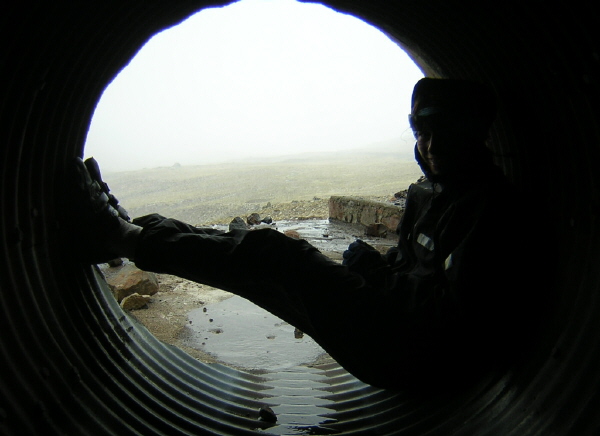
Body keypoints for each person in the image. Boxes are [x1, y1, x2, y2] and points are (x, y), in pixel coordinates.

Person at [67, 78, 538, 391]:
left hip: (415, 356)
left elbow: (457, 319)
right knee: (260, 259)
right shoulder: (427, 195)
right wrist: (381, 271)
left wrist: (378, 273)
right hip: (388, 324)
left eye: (445, 133)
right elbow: (409, 269)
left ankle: (122, 237)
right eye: (421, 132)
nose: (430, 148)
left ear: (475, 135)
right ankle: (134, 229)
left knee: (275, 255)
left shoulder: (491, 210)